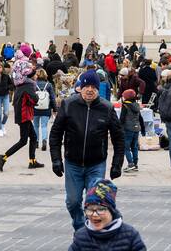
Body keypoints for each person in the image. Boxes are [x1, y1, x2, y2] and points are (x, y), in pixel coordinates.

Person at [50, 70, 125, 231]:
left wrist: (117, 164)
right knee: (73, 201)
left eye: (93, 87)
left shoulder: (107, 108)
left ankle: (90, 233)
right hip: (73, 163)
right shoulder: (69, 104)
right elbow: (55, 133)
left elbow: (119, 138)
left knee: (95, 203)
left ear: (98, 89)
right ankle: (80, 227)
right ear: (80, 88)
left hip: (96, 164)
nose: (90, 90)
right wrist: (56, 159)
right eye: (86, 86)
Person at [67, 180, 147, 251]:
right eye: (90, 209)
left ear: (111, 210)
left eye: (100, 209)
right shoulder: (81, 236)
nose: (94, 214)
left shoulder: (130, 234)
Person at [0, 62, 45, 172]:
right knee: (23, 141)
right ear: (30, 75)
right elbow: (34, 99)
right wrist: (36, 97)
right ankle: (3, 157)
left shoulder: (21, 85)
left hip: (23, 115)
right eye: (34, 74)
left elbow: (27, 99)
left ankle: (32, 161)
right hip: (24, 116)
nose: (36, 75)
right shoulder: (28, 85)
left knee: (33, 137)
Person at [119, 89, 145, 174]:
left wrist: (119, 129)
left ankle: (130, 164)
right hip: (136, 128)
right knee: (134, 147)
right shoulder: (137, 105)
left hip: (128, 128)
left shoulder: (125, 106)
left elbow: (122, 118)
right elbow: (140, 118)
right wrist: (143, 129)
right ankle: (135, 164)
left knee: (126, 147)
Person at [32, 68, 56, 152]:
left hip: (35, 108)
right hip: (46, 108)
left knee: (35, 125)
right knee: (44, 125)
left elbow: (31, 97)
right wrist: (54, 108)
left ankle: (36, 142)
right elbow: (52, 98)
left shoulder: (34, 84)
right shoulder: (48, 85)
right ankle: (44, 140)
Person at [0, 63, 13, 137]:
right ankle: (0, 129)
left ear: (3, 68)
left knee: (6, 113)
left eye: (0, 67)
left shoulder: (6, 76)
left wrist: (7, 87)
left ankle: (3, 124)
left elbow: (11, 84)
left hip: (5, 95)